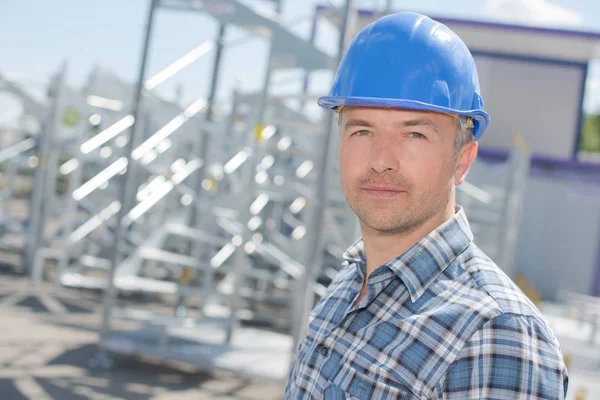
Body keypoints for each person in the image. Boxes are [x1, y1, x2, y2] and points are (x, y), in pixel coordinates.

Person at [285, 11, 568, 399]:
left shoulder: (496, 334)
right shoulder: (350, 283)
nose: (381, 159)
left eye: (415, 134)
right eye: (362, 130)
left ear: (463, 160)